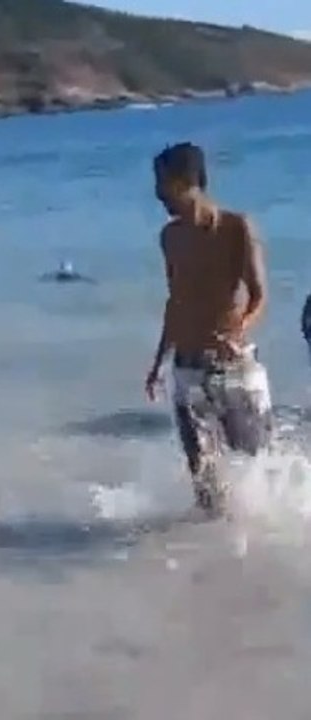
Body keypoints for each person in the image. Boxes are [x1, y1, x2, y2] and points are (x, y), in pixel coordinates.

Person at [143, 142, 272, 517]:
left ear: (187, 180)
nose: (157, 193)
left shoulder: (237, 227)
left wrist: (241, 328)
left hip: (235, 367)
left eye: (162, 182)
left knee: (258, 467)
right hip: (186, 369)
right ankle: (208, 558)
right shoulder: (169, 238)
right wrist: (157, 365)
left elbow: (260, 295)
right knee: (204, 480)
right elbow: (175, 302)